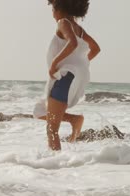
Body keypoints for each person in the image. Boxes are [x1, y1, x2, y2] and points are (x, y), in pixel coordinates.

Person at [33, 0, 101, 151]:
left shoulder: (63, 22)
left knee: (52, 130)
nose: (52, 14)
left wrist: (54, 64)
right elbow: (96, 49)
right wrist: (80, 63)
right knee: (39, 111)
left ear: (59, 8)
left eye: (52, 9)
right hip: (70, 78)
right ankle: (74, 119)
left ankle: (56, 168)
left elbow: (73, 44)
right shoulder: (78, 28)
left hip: (64, 78)